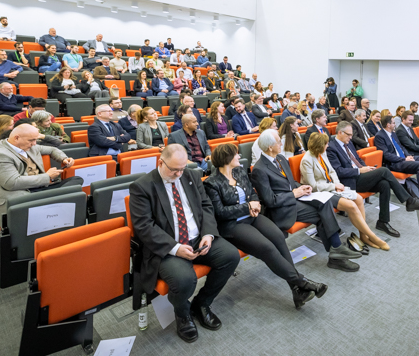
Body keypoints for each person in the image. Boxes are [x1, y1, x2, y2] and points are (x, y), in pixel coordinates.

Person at [128, 145, 240, 343]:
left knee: (230, 256)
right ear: (160, 162)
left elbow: (206, 206)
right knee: (185, 280)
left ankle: (202, 303)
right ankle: (182, 312)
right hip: (167, 246)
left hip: (198, 237)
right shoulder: (142, 186)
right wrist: (176, 248)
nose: (179, 174)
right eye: (174, 170)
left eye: (182, 169)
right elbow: (144, 226)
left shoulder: (191, 176)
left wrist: (208, 234)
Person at [203, 143, 327, 309]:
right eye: (236, 155)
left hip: (252, 216)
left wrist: (254, 202)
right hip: (232, 224)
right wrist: (247, 207)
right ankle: (301, 282)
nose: (239, 157)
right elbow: (220, 212)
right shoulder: (212, 183)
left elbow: (252, 192)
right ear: (227, 159)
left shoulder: (239, 171)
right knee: (267, 247)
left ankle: (297, 291)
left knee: (278, 237)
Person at [251, 130, 362, 272]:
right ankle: (336, 253)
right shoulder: (259, 169)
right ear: (270, 147)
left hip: (295, 200)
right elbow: (270, 201)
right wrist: (294, 193)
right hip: (282, 209)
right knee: (324, 214)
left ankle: (336, 251)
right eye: (279, 142)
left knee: (325, 202)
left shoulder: (280, 158)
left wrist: (302, 187)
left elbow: (290, 183)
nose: (282, 143)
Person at [0, 124, 80, 228]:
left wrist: (63, 158)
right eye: (31, 140)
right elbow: (12, 183)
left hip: (35, 187)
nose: (34, 143)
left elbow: (52, 149)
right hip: (15, 192)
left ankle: (52, 208)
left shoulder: (28, 146)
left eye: (35, 140)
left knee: (76, 181)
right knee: (60, 196)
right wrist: (47, 177)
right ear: (17, 138)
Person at [302, 133, 388, 250]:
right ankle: (373, 236)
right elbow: (313, 185)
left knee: (358, 198)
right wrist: (334, 186)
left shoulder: (322, 154)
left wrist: (338, 185)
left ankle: (363, 235)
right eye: (326, 144)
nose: (328, 146)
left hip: (332, 187)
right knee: (351, 205)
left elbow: (332, 171)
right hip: (320, 193)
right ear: (319, 145)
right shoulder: (307, 160)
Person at [373, 115, 419, 206]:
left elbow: (401, 147)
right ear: (388, 125)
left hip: (405, 158)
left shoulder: (393, 133)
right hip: (395, 162)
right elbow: (386, 155)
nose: (395, 124)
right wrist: (404, 158)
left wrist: (408, 156)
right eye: (393, 123)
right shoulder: (379, 136)